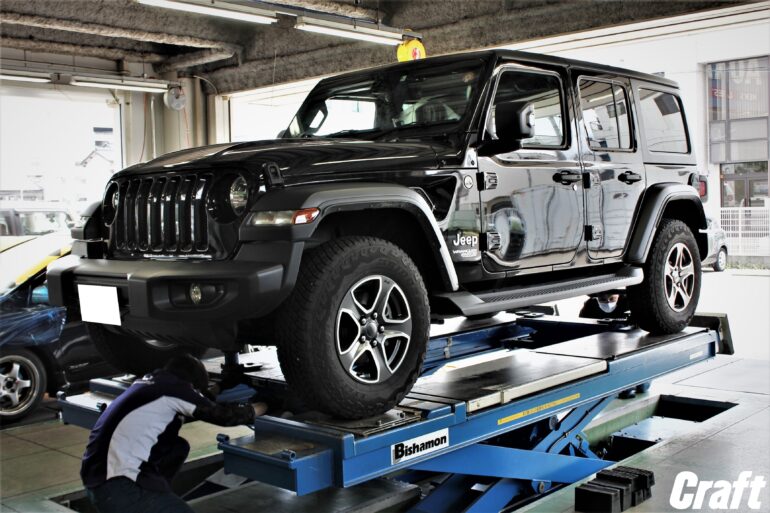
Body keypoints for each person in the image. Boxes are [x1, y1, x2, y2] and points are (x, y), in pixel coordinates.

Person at [81, 353, 267, 513]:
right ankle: (152, 499)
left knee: (178, 446)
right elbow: (224, 416)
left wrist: (222, 385)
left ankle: (158, 494)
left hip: (99, 481)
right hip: (121, 486)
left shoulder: (153, 384)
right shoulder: (174, 390)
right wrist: (265, 405)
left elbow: (197, 401)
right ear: (190, 384)